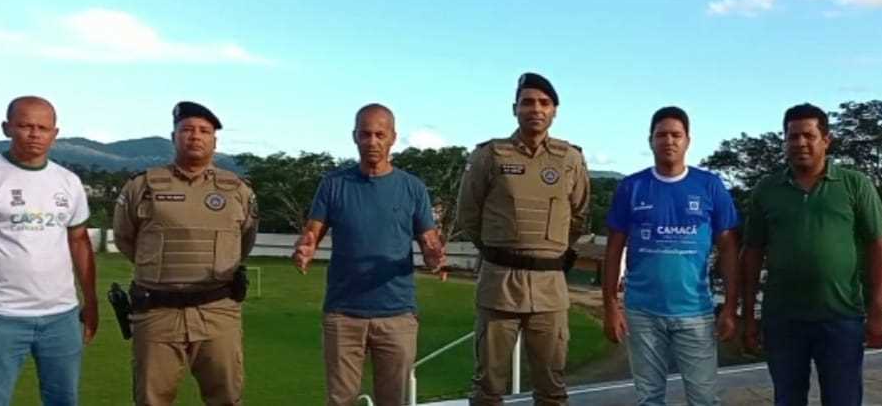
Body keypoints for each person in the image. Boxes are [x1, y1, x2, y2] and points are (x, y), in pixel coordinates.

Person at [0, 96, 98, 406]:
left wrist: (91, 301)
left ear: (55, 133)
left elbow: (80, 242)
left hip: (62, 317)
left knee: (64, 400)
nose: (34, 134)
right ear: (6, 128)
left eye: (43, 127)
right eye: (25, 126)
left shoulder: (68, 182)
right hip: (1, 317)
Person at [291, 103, 446, 406]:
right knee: (340, 400)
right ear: (354, 137)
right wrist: (305, 248)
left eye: (379, 134)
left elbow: (429, 241)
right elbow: (312, 233)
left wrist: (434, 257)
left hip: (397, 315)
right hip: (343, 315)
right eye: (365, 134)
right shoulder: (333, 184)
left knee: (394, 400)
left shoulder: (412, 188)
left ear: (392, 138)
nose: (372, 141)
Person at [742, 103, 882, 406]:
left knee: (843, 399)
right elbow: (752, 253)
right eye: (792, 136)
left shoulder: (855, 184)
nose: (799, 143)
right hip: (783, 320)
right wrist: (748, 316)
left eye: (808, 136)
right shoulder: (767, 189)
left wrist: (877, 313)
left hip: (841, 317)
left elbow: (879, 248)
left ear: (826, 140)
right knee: (787, 399)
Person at [456, 72, 590, 406]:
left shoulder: (570, 160)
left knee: (552, 387)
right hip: (499, 285)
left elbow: (580, 215)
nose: (536, 109)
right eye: (527, 102)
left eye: (544, 103)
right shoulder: (490, 155)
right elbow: (468, 214)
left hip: (549, 287)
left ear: (555, 110)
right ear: (514, 108)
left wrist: (554, 250)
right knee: (488, 386)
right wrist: (499, 249)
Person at [113, 101, 258, 406]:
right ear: (173, 136)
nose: (195, 136)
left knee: (227, 398)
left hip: (218, 311)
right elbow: (127, 240)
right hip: (156, 312)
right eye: (187, 129)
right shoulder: (143, 185)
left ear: (215, 141)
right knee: (152, 399)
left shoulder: (237, 190)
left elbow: (244, 242)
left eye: (204, 131)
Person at [601, 106, 740, 406]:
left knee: (703, 398)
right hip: (642, 312)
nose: (669, 141)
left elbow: (729, 248)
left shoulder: (709, 185)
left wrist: (730, 306)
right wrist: (611, 306)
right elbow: (613, 249)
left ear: (688, 140)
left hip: (695, 312)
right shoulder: (632, 186)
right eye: (661, 134)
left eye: (676, 135)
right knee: (649, 398)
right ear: (650, 140)